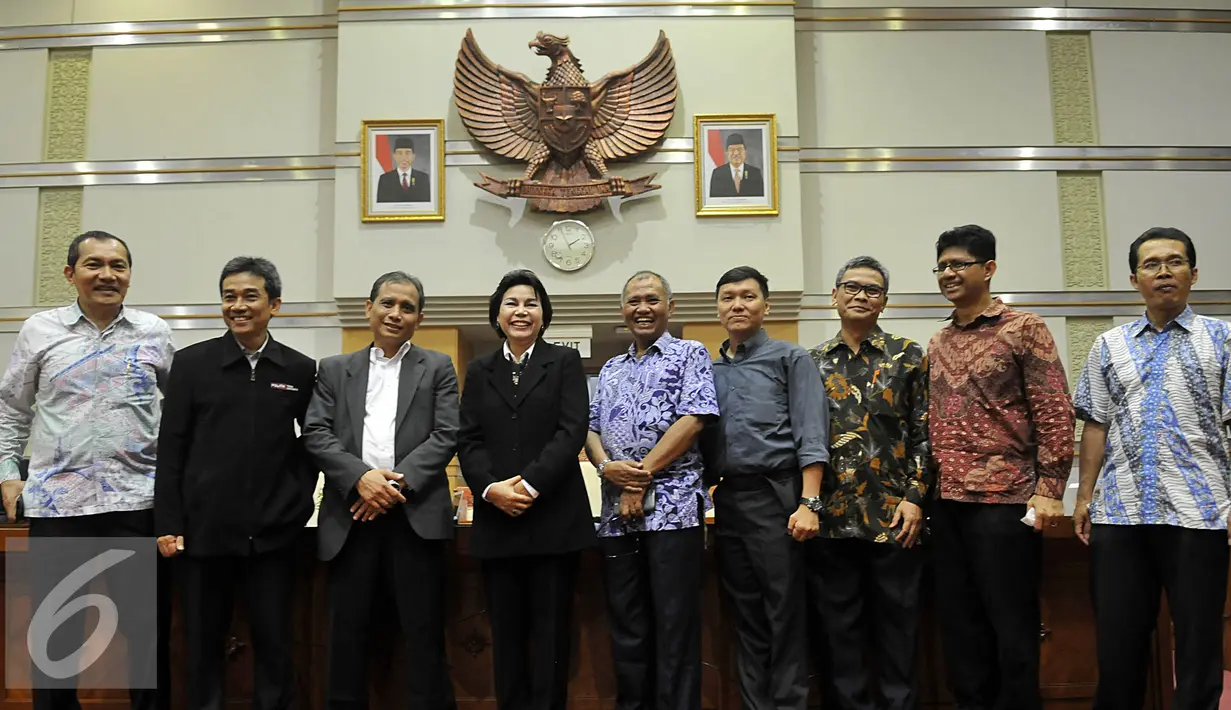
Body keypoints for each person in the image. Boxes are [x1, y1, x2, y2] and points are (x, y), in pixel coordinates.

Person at [0, 230, 173, 710]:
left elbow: (180, 411)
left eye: (118, 265)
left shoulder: (154, 332)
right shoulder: (40, 330)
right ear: (70, 273)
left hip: (135, 503)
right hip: (58, 506)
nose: (107, 275)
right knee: (56, 639)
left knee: (144, 638)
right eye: (94, 264)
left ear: (129, 276)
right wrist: (8, 473)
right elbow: (11, 410)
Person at [1072, 227, 1230, 710]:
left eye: (1175, 262)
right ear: (1134, 278)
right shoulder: (1109, 345)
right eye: (1151, 264)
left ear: (1194, 274)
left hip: (1200, 511)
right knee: (1118, 644)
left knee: (1200, 643)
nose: (1164, 271)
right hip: (1120, 514)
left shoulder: (1223, 338)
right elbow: (1095, 425)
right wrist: (1084, 497)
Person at [154, 256, 317, 710]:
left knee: (275, 646)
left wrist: (296, 501)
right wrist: (169, 522)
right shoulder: (191, 364)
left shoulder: (299, 370)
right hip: (202, 537)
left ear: (275, 304)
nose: (238, 306)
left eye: (250, 296)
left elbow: (314, 443)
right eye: (229, 296)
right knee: (202, 647)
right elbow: (172, 450)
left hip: (274, 537)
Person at [926, 225, 1075, 710]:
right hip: (945, 504)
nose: (949, 273)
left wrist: (1050, 487)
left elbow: (1054, 408)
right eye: (942, 265)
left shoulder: (1023, 327)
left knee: (1011, 623)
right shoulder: (938, 340)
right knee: (960, 624)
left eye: (959, 264)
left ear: (988, 269)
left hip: (1006, 500)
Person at [303, 271, 459, 710]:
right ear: (368, 309)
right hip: (351, 520)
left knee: (424, 638)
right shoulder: (334, 369)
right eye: (387, 304)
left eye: (407, 308)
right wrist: (361, 479)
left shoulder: (438, 367)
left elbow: (447, 434)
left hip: (415, 519)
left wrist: (395, 484)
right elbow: (315, 433)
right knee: (347, 639)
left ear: (420, 318)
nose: (396, 314)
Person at [457, 269, 593, 710]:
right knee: (507, 635)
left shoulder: (564, 363)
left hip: (552, 520)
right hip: (498, 522)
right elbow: (469, 439)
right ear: (497, 314)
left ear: (543, 314)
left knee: (553, 636)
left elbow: (571, 430)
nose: (521, 311)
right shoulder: (480, 370)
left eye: (531, 303)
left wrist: (531, 484)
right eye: (512, 303)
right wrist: (492, 488)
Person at [584, 270, 719, 710]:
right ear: (622, 311)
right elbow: (590, 428)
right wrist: (608, 468)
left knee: (674, 624)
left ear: (670, 307)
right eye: (634, 301)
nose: (643, 308)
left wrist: (637, 478)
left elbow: (695, 419)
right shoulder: (610, 369)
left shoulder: (689, 353)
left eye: (652, 299)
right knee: (627, 625)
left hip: (674, 512)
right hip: (616, 519)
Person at [807, 256, 929, 710]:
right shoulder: (812, 362)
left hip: (896, 519)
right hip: (832, 521)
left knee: (899, 635)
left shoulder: (909, 355)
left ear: (884, 301)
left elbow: (925, 432)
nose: (861, 296)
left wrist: (916, 497)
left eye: (872, 290)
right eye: (852, 287)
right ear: (834, 296)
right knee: (841, 637)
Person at [708, 265, 826, 710]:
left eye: (748, 296)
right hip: (730, 500)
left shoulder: (790, 359)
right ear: (718, 308)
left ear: (766, 305)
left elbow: (811, 433)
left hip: (778, 498)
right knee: (746, 616)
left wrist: (808, 501)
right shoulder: (709, 368)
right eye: (728, 297)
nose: (737, 304)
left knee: (785, 614)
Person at [709, 133, 764, 198]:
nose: (736, 153)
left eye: (739, 149)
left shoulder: (755, 173)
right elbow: (714, 200)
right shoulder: (718, 173)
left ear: (745, 152)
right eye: (732, 150)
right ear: (726, 153)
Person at [376, 137, 431, 203]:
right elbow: (381, 205)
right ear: (394, 156)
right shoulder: (385, 179)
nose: (404, 157)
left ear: (413, 156)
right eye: (399, 153)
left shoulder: (423, 178)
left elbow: (426, 204)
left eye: (407, 153)